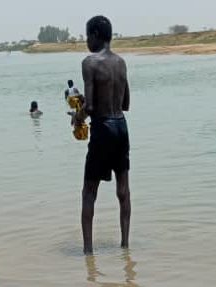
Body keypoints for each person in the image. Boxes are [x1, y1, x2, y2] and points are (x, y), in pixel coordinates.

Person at [81, 15, 131, 252]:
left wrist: (77, 117)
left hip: (102, 128)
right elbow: (126, 102)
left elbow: (89, 107)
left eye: (87, 36)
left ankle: (88, 252)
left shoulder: (90, 62)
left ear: (95, 36)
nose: (86, 41)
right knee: (123, 189)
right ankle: (125, 245)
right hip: (121, 126)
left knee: (89, 191)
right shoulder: (121, 63)